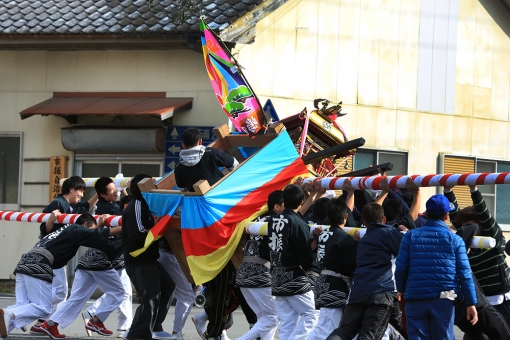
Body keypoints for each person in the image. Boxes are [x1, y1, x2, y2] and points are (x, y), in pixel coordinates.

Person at [0, 213, 120, 339]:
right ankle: (9, 312)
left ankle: (4, 323)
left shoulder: (64, 230)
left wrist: (98, 226)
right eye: (91, 229)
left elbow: (93, 235)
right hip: (39, 262)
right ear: (85, 225)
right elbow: (98, 234)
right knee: (43, 308)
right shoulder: (77, 229)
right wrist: (126, 226)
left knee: (21, 307)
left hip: (24, 261)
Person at [395, 194, 478, 340]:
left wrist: (401, 289)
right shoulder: (456, 240)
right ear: (446, 215)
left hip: (415, 297)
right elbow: (465, 274)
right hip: (444, 297)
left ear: (426, 213)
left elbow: (401, 266)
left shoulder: (410, 236)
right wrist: (471, 303)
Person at [31, 176, 98, 335]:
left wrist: (99, 193)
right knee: (60, 292)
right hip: (50, 253)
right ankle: (29, 312)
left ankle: (41, 323)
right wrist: (51, 219)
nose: (82, 194)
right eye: (80, 191)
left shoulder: (71, 206)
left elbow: (87, 205)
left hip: (58, 254)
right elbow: (45, 230)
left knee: (59, 291)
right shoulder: (58, 203)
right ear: (71, 189)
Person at [327, 202, 404, 340]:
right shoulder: (390, 233)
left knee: (344, 331)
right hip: (381, 291)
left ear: (364, 222)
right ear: (384, 219)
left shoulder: (363, 241)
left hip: (357, 292)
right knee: (369, 335)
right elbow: (405, 253)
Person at [40, 217, 124, 338]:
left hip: (84, 262)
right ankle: (96, 321)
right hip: (99, 261)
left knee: (76, 298)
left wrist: (101, 225)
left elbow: (98, 234)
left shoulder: (110, 228)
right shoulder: (129, 230)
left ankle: (51, 324)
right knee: (118, 292)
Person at [122, 173, 176, 340]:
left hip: (149, 258)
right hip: (139, 260)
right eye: (152, 184)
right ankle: (138, 334)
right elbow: (136, 235)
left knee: (167, 286)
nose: (155, 187)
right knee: (150, 296)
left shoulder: (145, 205)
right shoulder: (137, 205)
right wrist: (157, 228)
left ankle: (154, 326)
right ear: (142, 188)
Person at [267, 184, 318, 340]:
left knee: (288, 322)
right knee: (312, 314)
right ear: (301, 201)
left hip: (276, 275)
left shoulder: (273, 220)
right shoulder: (298, 224)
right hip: (293, 276)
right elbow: (304, 253)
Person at [84, 177, 132, 339]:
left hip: (112, 253)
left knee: (121, 291)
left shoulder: (108, 204)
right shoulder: (108, 207)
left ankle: (121, 326)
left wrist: (124, 191)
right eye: (112, 190)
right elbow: (125, 212)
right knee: (122, 291)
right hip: (111, 254)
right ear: (103, 194)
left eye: (115, 188)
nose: (116, 191)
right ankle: (121, 326)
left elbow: (123, 207)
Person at [308, 186, 358, 340]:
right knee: (329, 329)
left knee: (323, 327)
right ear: (345, 217)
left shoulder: (322, 235)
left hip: (322, 282)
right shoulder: (345, 239)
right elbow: (351, 266)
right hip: (336, 286)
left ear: (327, 217)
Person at [234, 190, 283, 340]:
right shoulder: (278, 221)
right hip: (259, 272)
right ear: (276, 207)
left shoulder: (257, 218)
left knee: (264, 316)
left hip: (242, 272)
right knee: (274, 316)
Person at [174, 127, 239, 192]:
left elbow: (182, 188)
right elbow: (234, 164)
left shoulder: (178, 165)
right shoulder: (211, 152)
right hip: (219, 194)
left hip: (197, 200)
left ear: (183, 145)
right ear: (200, 141)